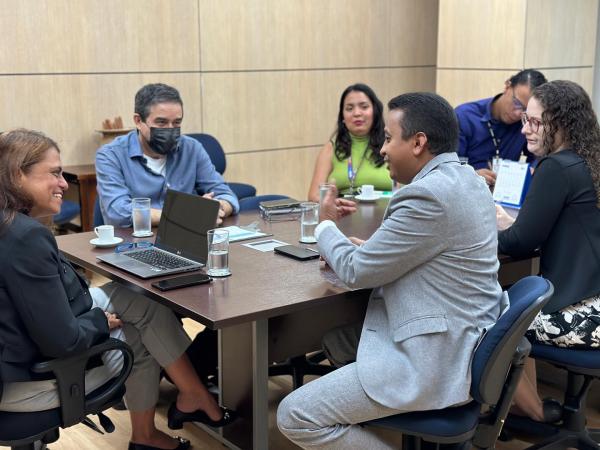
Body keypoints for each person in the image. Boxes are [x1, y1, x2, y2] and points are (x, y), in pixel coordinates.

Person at [277, 92, 506, 449]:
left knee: (295, 415)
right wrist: (372, 252)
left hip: (435, 361)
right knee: (336, 340)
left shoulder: (425, 195)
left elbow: (355, 273)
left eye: (387, 137)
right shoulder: (468, 180)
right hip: (467, 339)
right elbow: (433, 253)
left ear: (418, 143)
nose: (382, 149)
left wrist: (324, 226)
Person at [0, 129, 235, 450]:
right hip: (26, 383)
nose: (64, 184)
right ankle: (152, 431)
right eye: (54, 173)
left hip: (12, 353)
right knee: (136, 333)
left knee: (139, 300)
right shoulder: (25, 237)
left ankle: (190, 396)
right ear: (16, 175)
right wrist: (99, 321)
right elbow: (63, 341)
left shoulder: (9, 223)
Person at [496, 80, 600, 423]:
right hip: (595, 304)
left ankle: (533, 410)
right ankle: (521, 404)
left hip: (579, 314)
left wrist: (476, 233)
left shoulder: (556, 167)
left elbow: (521, 241)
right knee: (515, 300)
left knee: (491, 310)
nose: (525, 129)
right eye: (525, 118)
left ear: (562, 123)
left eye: (535, 122)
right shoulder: (589, 161)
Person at [96, 83, 239, 227]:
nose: (170, 130)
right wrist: (187, 214)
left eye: (177, 122)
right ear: (138, 121)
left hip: (183, 240)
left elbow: (227, 196)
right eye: (161, 122)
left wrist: (215, 209)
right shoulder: (111, 155)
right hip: (135, 243)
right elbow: (118, 213)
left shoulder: (191, 148)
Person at [456, 69, 547, 187]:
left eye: (525, 110)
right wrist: (470, 176)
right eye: (517, 103)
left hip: (506, 195)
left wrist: (533, 171)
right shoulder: (464, 116)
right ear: (507, 86)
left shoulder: (526, 124)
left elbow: (538, 157)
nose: (517, 113)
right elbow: (448, 169)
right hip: (467, 192)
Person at [307, 83, 392, 202]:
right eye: (349, 108)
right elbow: (314, 196)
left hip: (386, 216)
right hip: (343, 214)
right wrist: (337, 204)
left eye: (364, 106)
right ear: (343, 116)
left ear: (375, 111)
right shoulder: (331, 148)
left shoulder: (390, 145)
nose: (357, 113)